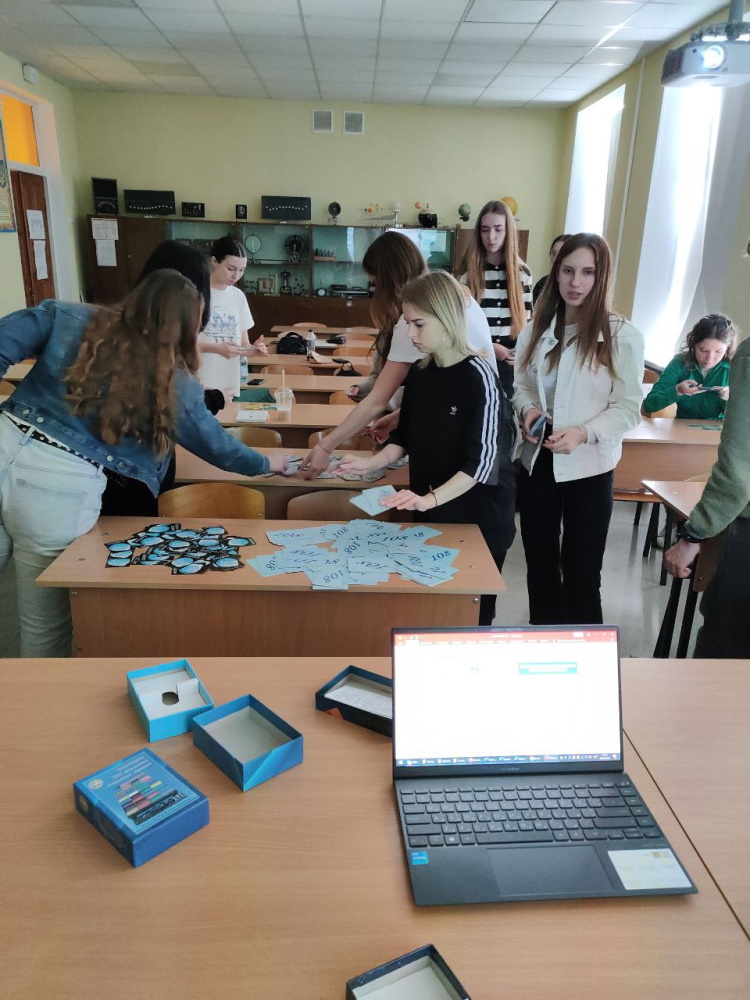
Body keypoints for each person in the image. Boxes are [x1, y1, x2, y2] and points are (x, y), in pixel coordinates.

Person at [0, 269, 288, 658]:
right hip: (58, 484)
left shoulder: (68, 315)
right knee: (44, 625)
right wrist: (268, 461)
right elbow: (218, 447)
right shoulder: (173, 376)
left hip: (5, 437)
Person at [338, 271, 517, 625]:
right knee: (435, 612)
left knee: (471, 617)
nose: (411, 334)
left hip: (478, 519)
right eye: (408, 324)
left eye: (419, 324)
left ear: (447, 318)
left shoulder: (480, 375)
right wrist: (370, 463)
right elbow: (404, 438)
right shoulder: (421, 373)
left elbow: (481, 465)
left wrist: (429, 500)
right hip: (431, 509)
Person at [512, 233, 644, 625]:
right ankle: (543, 642)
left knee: (582, 572)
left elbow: (628, 409)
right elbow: (521, 386)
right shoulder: (536, 329)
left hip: (591, 467)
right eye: (568, 270)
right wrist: (528, 410)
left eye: (587, 272)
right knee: (540, 567)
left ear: (601, 277)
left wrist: (584, 433)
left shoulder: (622, 336)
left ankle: (584, 652)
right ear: (556, 272)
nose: (575, 282)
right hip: (539, 461)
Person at [299, 231, 494, 478]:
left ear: (389, 281)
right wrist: (399, 417)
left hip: (463, 452)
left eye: (377, 284)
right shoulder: (455, 298)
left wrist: (325, 446)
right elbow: (449, 394)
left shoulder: (413, 321)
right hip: (476, 438)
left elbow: (376, 401)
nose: (413, 332)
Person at [663, 246, 749, 657]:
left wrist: (693, 534)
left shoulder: (745, 358)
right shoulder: (681, 365)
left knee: (725, 646)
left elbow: (738, 469)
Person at [101, 239, 224, 516]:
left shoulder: (119, 331)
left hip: (130, 476)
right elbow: (167, 405)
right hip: (128, 482)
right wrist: (265, 463)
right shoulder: (147, 348)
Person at [459, 199, 533, 401]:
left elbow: (527, 322)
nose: (491, 237)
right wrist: (489, 348)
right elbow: (460, 326)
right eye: (485, 230)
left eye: (498, 230)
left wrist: (520, 354)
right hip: (477, 357)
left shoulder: (523, 274)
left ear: (508, 231)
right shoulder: (466, 275)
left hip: (510, 362)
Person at [198, 236, 266, 404]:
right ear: (214, 261)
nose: (236, 275)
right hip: (200, 380)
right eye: (231, 268)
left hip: (228, 382)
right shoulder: (196, 293)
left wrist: (254, 350)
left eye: (242, 270)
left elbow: (242, 344)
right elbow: (182, 343)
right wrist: (216, 348)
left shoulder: (238, 296)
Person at [643, 314, 735, 420]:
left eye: (718, 351)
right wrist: (677, 391)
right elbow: (648, 405)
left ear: (727, 349)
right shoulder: (679, 362)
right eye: (703, 350)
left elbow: (743, 419)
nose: (710, 358)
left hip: (718, 429)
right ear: (693, 345)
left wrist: (729, 401)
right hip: (681, 427)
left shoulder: (734, 368)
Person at [532, 234, 571, 305]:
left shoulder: (576, 285)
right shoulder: (543, 283)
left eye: (561, 254)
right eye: (554, 254)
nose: (556, 259)